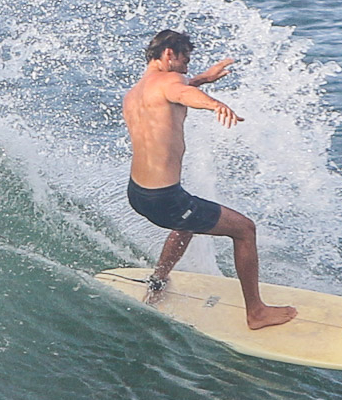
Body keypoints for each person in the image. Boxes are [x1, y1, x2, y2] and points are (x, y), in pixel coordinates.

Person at [122, 29, 297, 330]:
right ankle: (256, 312)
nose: (187, 68)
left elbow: (176, 89)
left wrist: (203, 78)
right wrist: (214, 103)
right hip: (165, 199)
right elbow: (182, 92)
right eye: (185, 60)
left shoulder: (136, 92)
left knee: (187, 222)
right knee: (244, 230)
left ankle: (158, 282)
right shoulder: (171, 83)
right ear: (169, 55)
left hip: (138, 193)